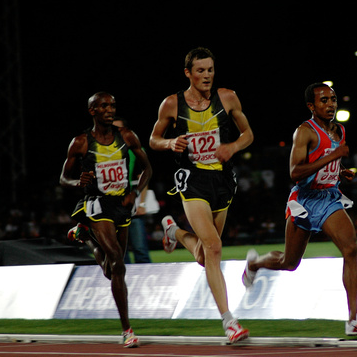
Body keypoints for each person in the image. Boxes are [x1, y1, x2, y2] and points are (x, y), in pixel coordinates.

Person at [241, 83, 357, 337]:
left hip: (329, 198)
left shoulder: (339, 131)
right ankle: (256, 264)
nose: (330, 104)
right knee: (289, 262)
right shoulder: (304, 132)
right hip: (304, 201)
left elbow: (328, 158)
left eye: (333, 99)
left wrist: (339, 169)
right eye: (324, 100)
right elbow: (295, 172)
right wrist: (332, 158)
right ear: (311, 106)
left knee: (351, 249)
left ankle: (353, 319)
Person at [149, 47, 254, 343]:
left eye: (210, 70)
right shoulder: (171, 104)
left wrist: (232, 147)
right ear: (188, 73)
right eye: (200, 71)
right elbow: (153, 139)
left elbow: (248, 134)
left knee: (204, 254)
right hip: (192, 180)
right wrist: (170, 143)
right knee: (214, 247)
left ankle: (174, 231)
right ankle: (229, 321)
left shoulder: (228, 97)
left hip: (222, 180)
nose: (206, 75)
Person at [60, 92, 152, 348]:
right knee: (117, 263)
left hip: (121, 205)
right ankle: (127, 330)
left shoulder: (128, 136)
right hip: (96, 205)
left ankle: (84, 236)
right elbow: (63, 179)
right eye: (104, 106)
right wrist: (78, 182)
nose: (110, 109)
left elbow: (148, 168)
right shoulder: (80, 142)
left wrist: (135, 192)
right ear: (93, 111)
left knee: (111, 270)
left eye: (112, 105)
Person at [113, 116, 152, 264]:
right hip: (111, 207)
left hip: (131, 206)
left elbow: (143, 177)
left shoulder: (134, 151)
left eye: (118, 129)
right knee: (119, 253)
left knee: (140, 249)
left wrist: (141, 204)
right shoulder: (102, 152)